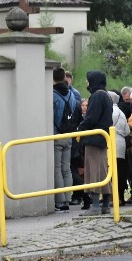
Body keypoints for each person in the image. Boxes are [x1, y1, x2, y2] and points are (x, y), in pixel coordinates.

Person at [77, 70, 113, 216]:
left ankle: (95, 205)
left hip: (94, 138)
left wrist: (80, 128)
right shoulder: (106, 95)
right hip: (102, 138)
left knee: (93, 171)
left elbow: (91, 118)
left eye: (88, 80)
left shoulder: (97, 96)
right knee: (103, 170)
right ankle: (105, 204)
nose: (87, 83)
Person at [52, 68, 79, 212]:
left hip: (56, 135)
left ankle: (60, 202)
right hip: (68, 135)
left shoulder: (52, 95)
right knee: (66, 168)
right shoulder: (71, 94)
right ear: (64, 78)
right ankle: (68, 198)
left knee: (57, 169)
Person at [109, 91, 131, 206]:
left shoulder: (109, 111)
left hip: (111, 143)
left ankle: (113, 198)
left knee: (112, 172)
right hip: (121, 144)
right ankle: (120, 197)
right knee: (120, 171)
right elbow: (127, 131)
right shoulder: (121, 113)